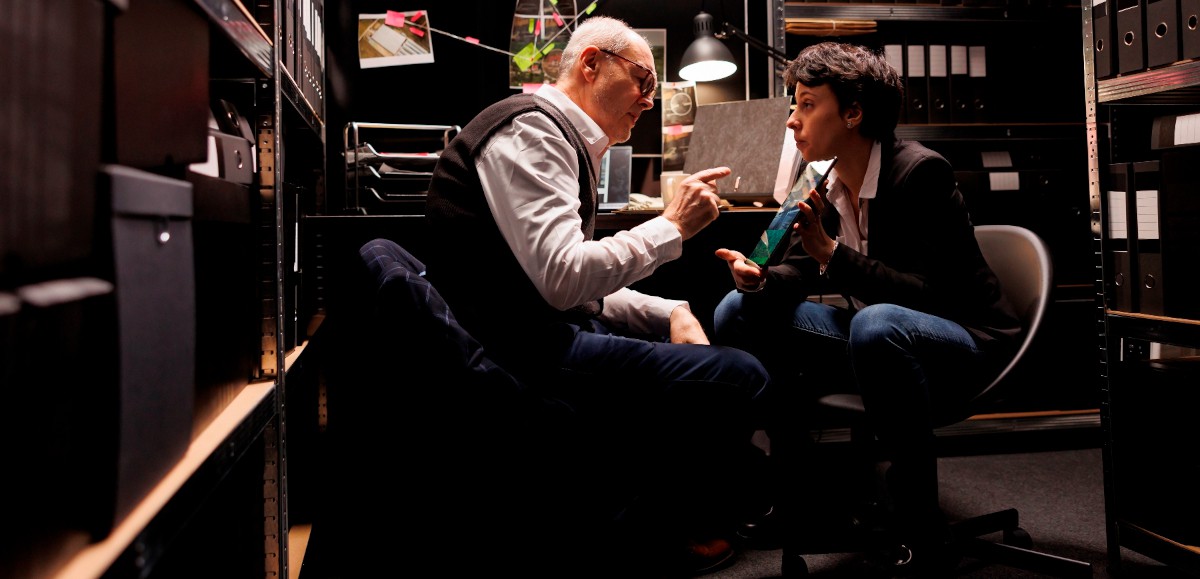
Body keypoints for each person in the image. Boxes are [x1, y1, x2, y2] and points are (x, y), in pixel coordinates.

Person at [423, 15, 771, 577]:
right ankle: (645, 535)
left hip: (532, 328)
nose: (649, 100)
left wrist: (670, 310)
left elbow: (571, 285)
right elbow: (564, 279)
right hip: (519, 349)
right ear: (591, 63)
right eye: (643, 81)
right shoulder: (533, 132)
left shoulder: (551, 133)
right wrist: (672, 226)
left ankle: (675, 507)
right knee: (740, 376)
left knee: (700, 356)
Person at [712, 41, 1022, 572]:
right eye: (793, 104)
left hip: (963, 343)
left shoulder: (920, 172)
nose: (791, 120)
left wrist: (833, 254)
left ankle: (917, 520)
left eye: (807, 105)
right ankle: (793, 491)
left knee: (877, 324)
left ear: (853, 113)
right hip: (878, 338)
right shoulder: (816, 176)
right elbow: (796, 266)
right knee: (736, 309)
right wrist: (758, 275)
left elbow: (934, 295)